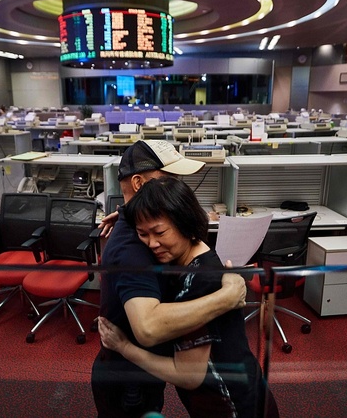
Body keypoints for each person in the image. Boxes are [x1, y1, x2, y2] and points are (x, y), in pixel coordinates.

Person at [91, 140, 247, 417]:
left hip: (152, 373)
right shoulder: (133, 248)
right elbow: (148, 326)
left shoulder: (141, 225)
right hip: (129, 379)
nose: (179, 187)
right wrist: (227, 297)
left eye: (158, 232)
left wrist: (128, 214)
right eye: (170, 179)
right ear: (140, 184)